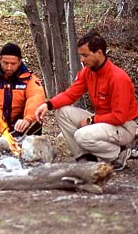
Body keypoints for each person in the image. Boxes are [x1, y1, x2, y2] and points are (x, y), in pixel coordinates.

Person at [35, 29, 138, 170]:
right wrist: (48, 105)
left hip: (124, 126)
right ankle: (85, 159)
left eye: (85, 55)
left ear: (99, 53)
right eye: (80, 55)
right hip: (103, 119)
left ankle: (119, 154)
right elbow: (70, 95)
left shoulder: (118, 78)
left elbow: (119, 117)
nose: (82, 60)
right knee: (62, 112)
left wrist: (91, 120)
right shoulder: (88, 73)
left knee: (81, 135)